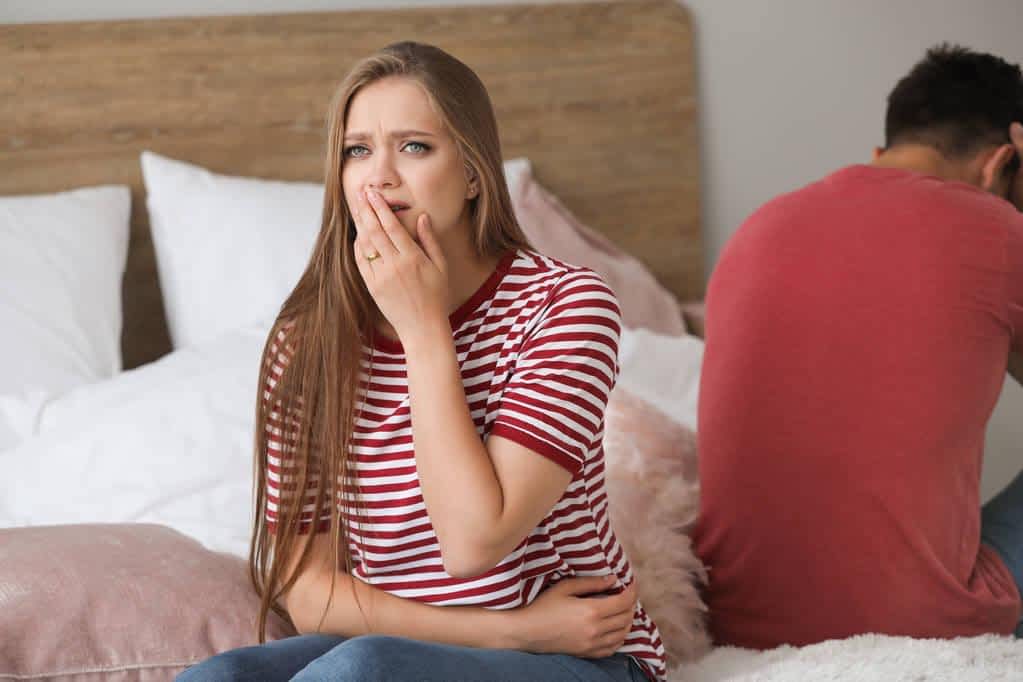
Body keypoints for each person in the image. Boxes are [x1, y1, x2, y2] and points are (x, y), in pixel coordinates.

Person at [176, 42, 664, 681]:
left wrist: (422, 326)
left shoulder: (567, 305)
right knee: (221, 677)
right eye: (357, 150)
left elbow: (472, 543)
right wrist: (507, 631)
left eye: (413, 147)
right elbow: (308, 590)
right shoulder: (307, 341)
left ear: (471, 173)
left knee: (362, 670)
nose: (378, 177)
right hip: (476, 641)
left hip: (579, 660)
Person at [693, 43, 1023, 649]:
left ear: (880, 155)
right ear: (1000, 163)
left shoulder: (758, 227)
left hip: (736, 620)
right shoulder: (1000, 229)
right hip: (924, 625)